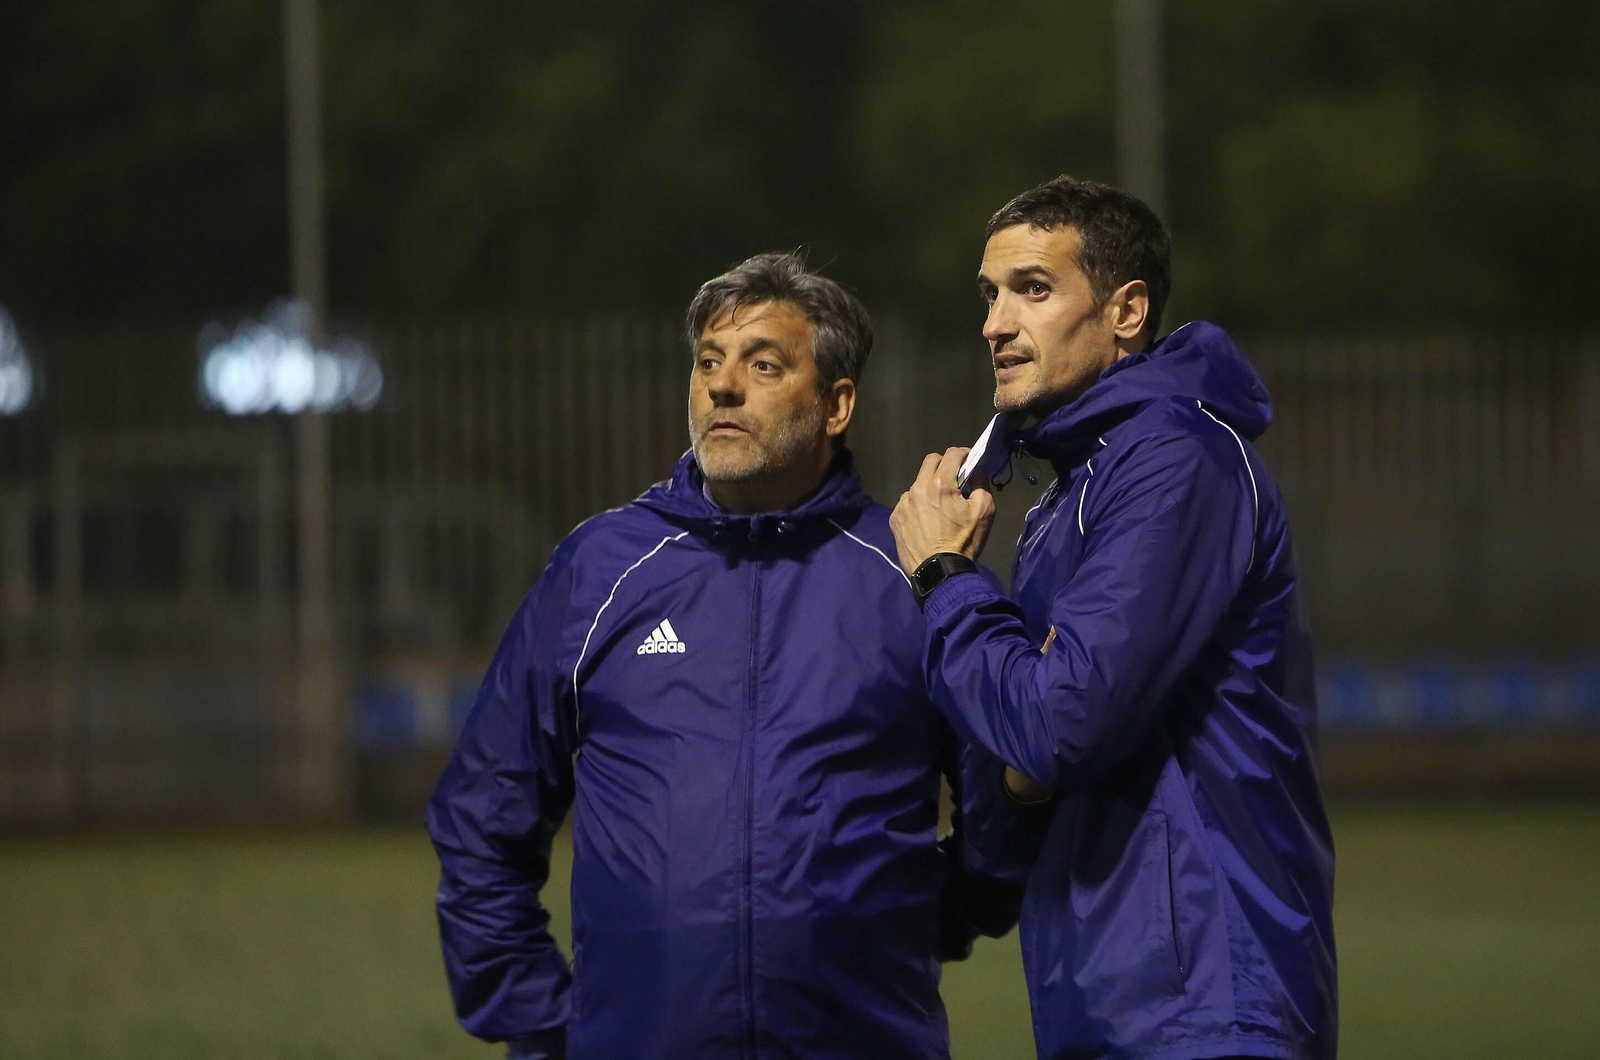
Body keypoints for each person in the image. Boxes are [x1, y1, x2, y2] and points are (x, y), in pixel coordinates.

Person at [428, 251, 1030, 1060]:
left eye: (764, 365)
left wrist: (911, 926)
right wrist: (541, 1022)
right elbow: (481, 815)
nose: (721, 385)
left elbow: (1001, 815)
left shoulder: (908, 570)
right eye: (708, 362)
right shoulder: (602, 568)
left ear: (836, 404)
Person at [889, 176, 1338, 1060]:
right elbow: (1029, 750)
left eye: (1033, 289)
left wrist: (944, 577)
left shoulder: (1179, 458)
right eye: (990, 294)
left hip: (1206, 999)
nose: (995, 323)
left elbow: (1059, 723)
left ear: (1126, 310)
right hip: (1113, 994)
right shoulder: (1072, 491)